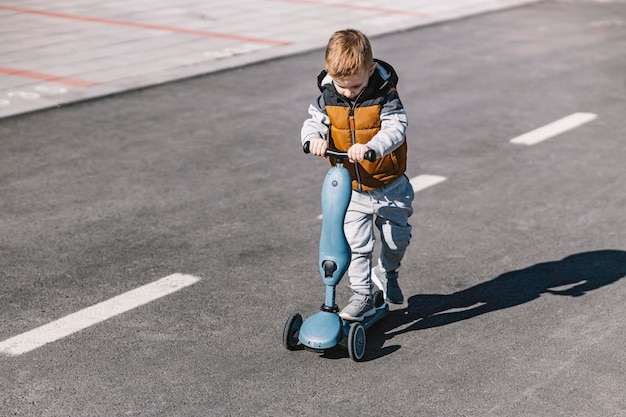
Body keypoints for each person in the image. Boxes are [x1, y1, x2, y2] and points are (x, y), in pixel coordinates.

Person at [301, 29, 414, 321]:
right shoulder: (328, 96)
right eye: (342, 86)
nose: (348, 92)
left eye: (355, 85)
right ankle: (361, 295)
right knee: (357, 245)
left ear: (371, 70)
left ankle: (387, 272)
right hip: (351, 189)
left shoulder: (385, 95)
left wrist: (372, 147)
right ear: (330, 73)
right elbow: (313, 123)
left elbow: (396, 128)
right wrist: (313, 138)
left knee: (395, 240)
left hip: (390, 186)